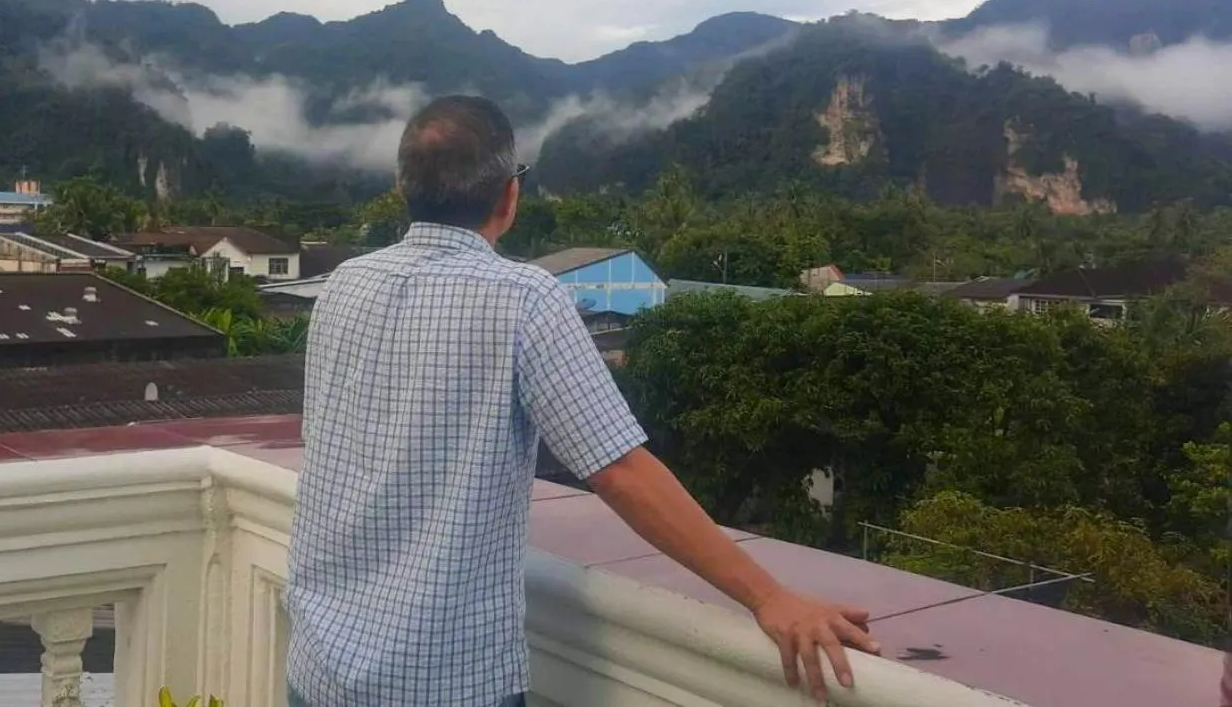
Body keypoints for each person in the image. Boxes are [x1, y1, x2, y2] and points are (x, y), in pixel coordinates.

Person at [284, 95, 879, 707]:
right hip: (441, 681)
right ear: (509, 197)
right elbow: (619, 471)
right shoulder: (523, 298)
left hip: (320, 664)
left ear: (402, 187)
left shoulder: (345, 285)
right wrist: (769, 597)